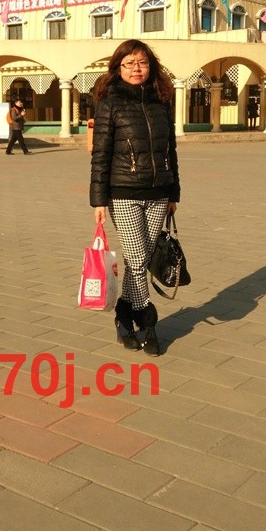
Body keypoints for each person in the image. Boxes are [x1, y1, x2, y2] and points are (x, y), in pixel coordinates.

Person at [90, 39, 180, 356]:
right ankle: (147, 320)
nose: (136, 69)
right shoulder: (109, 104)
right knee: (139, 259)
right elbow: (100, 154)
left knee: (138, 260)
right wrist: (98, 200)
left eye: (142, 62)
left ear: (151, 66)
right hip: (123, 193)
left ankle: (123, 316)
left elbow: (170, 150)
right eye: (129, 63)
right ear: (118, 68)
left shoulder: (161, 103)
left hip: (158, 194)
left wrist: (174, 192)